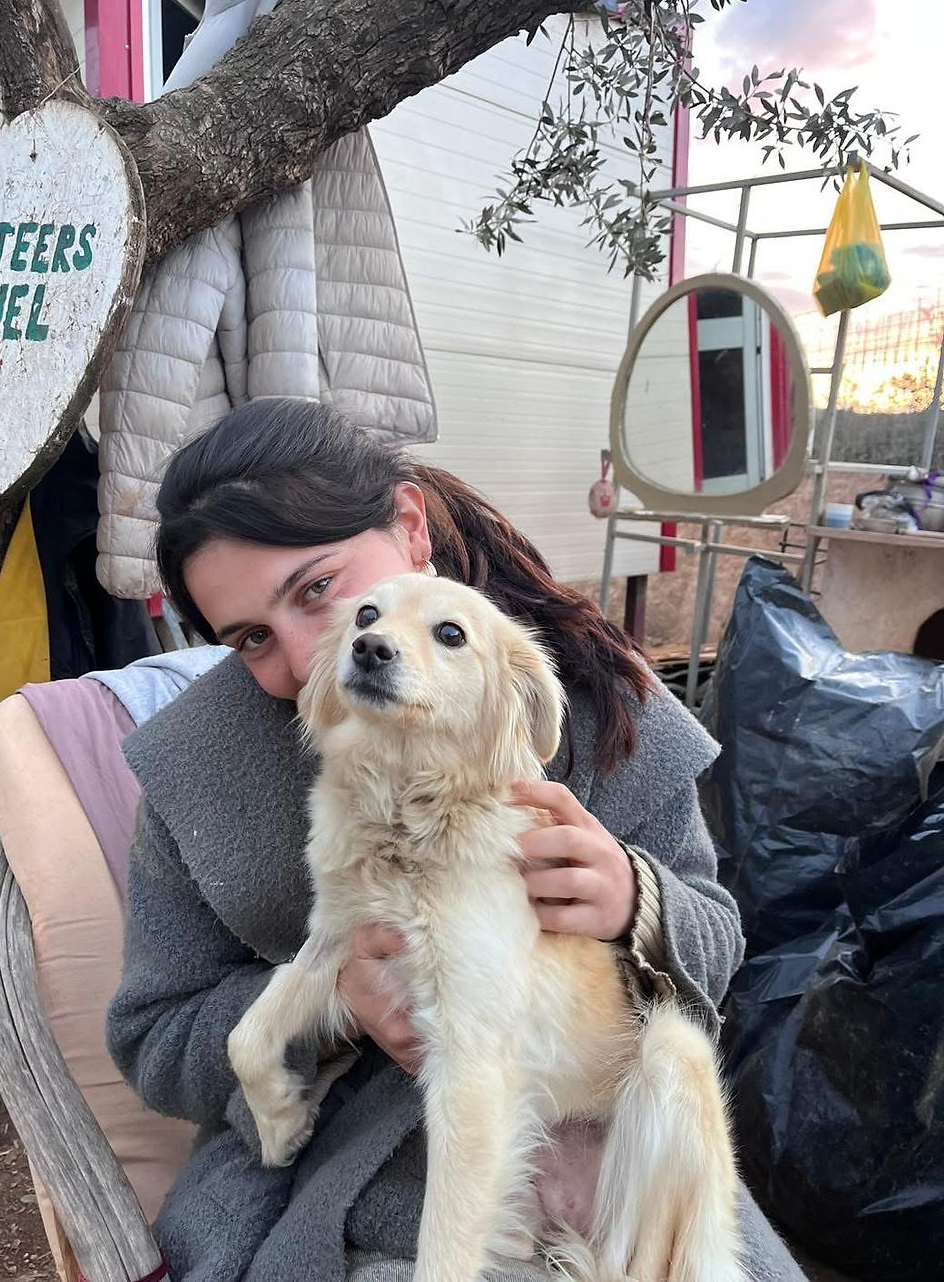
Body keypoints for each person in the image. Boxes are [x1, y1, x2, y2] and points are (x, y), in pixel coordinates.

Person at [107, 396, 807, 1282]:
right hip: (365, 1175)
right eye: (250, 637)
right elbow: (155, 1038)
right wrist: (335, 1014)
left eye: (318, 588)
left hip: (623, 1145)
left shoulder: (581, 688)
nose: (300, 655)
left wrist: (637, 900)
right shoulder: (192, 767)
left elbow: (717, 934)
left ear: (408, 525)